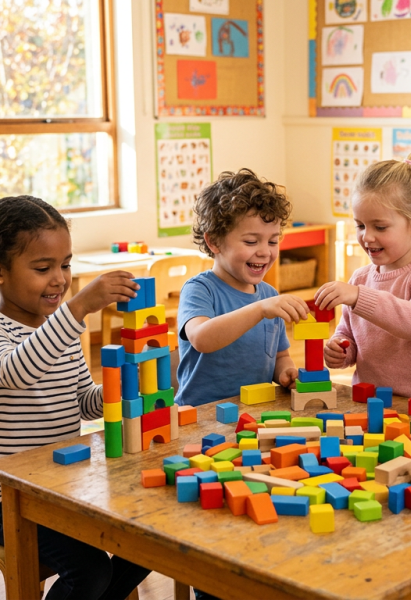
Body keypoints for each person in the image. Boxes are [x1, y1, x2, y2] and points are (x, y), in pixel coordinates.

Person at [0, 195, 150, 599]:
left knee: (150, 542)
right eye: (42, 268)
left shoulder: (60, 329)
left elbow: (83, 401)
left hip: (62, 484)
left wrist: (125, 383)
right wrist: (79, 308)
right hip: (9, 496)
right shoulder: (48, 327)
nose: (60, 279)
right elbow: (16, 372)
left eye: (65, 265)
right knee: (89, 573)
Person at [314, 153, 411, 404]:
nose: (367, 237)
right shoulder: (360, 278)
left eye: (380, 227)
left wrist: (359, 297)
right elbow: (349, 333)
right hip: (370, 403)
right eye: (360, 226)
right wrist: (340, 349)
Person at [175, 168, 309, 407]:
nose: (265, 251)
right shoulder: (199, 289)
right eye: (250, 241)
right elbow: (201, 339)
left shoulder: (269, 296)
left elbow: (280, 355)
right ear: (214, 241)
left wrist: (286, 372)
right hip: (199, 415)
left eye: (273, 241)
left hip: (254, 411)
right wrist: (260, 309)